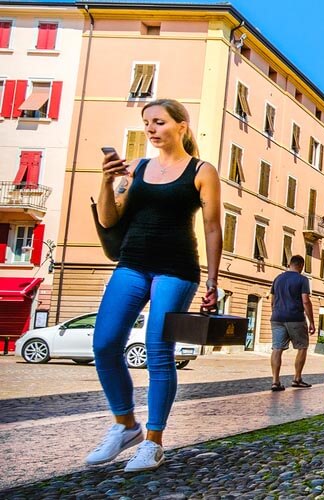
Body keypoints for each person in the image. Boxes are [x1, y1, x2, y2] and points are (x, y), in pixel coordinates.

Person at [87, 99, 222, 472]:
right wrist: (106, 180)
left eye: (158, 122)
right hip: (132, 264)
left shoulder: (201, 171)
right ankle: (125, 425)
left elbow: (212, 227)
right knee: (105, 344)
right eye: (146, 122)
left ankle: (153, 441)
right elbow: (108, 217)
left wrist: (212, 279)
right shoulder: (136, 167)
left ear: (182, 126)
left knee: (158, 351)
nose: (150, 128)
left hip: (177, 269)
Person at [270, 255, 315, 391]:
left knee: (277, 348)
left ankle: (275, 381)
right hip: (295, 318)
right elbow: (305, 301)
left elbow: (272, 300)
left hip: (277, 317)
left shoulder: (277, 279)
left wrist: (276, 311)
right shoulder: (302, 279)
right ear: (301, 266)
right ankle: (297, 378)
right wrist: (311, 322)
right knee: (302, 347)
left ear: (289, 264)